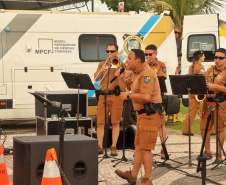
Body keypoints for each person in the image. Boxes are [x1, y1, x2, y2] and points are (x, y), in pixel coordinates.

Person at [115, 49, 165, 185]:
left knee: (145, 148)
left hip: (151, 114)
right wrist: (120, 79)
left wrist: (129, 96)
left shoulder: (146, 74)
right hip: (142, 115)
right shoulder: (135, 73)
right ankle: (133, 175)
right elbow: (125, 89)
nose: (126, 61)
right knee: (138, 145)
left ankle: (147, 179)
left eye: (129, 58)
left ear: (138, 61)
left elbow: (147, 97)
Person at [94, 44, 124, 156]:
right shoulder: (102, 64)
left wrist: (117, 67)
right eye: (107, 51)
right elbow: (96, 78)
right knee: (100, 122)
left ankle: (114, 146)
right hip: (103, 95)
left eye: (112, 51)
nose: (109, 54)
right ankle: (100, 146)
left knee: (115, 122)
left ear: (117, 52)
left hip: (115, 96)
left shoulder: (121, 64)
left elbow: (125, 76)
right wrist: (104, 69)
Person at [200, 48, 226, 161]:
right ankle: (207, 151)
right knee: (203, 128)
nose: (217, 60)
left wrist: (215, 87)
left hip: (220, 102)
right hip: (208, 102)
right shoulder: (210, 69)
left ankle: (219, 155)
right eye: (216, 57)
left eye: (220, 58)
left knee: (219, 129)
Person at [145, 44, 167, 159]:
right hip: (146, 98)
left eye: (150, 54)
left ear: (156, 53)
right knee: (146, 125)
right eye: (146, 54)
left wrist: (147, 70)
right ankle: (145, 149)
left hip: (158, 98)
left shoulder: (161, 65)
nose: (148, 57)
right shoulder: (144, 65)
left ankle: (163, 148)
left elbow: (161, 79)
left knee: (161, 125)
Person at [182, 50, 206, 136]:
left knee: (191, 112)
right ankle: (208, 130)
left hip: (192, 91)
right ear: (200, 57)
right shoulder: (200, 66)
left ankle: (186, 129)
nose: (204, 57)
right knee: (205, 110)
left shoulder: (191, 66)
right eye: (203, 56)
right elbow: (203, 78)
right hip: (198, 91)